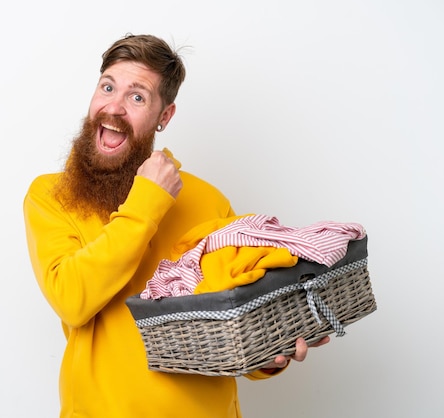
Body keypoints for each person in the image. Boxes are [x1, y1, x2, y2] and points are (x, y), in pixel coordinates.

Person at [23, 33, 329, 418]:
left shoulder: (208, 201)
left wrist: (270, 355)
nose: (113, 107)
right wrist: (148, 201)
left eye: (137, 97)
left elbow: (232, 319)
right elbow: (72, 300)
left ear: (164, 116)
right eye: (107, 87)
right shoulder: (50, 195)